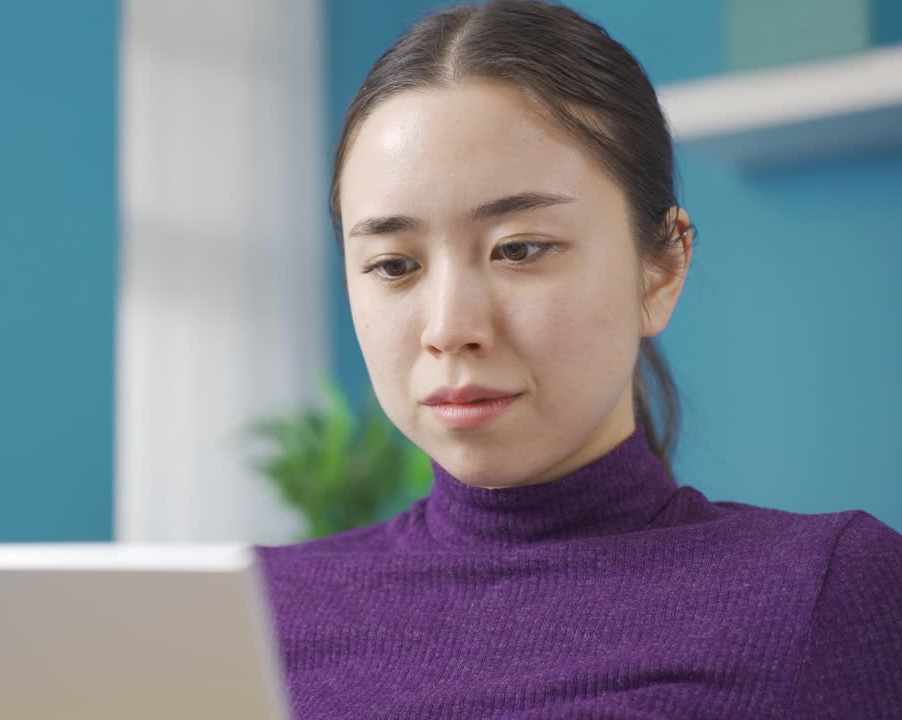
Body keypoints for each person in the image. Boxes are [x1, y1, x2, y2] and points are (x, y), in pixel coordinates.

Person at [252, 1, 902, 718]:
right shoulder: (253, 610)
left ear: (661, 270)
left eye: (520, 249)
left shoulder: (824, 592)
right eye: (395, 265)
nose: (450, 328)